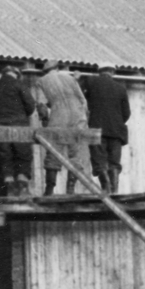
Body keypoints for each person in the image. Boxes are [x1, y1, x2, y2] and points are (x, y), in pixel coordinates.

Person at [35, 59, 92, 194]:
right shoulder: (70, 78)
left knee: (53, 152)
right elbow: (83, 100)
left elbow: (42, 106)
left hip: (58, 117)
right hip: (78, 118)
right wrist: (84, 120)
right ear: (57, 68)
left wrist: (44, 120)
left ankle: (49, 190)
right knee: (75, 154)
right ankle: (70, 188)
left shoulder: (41, 81)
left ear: (45, 71)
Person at [0, 65, 36, 197]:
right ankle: (23, 189)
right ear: (17, 74)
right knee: (23, 155)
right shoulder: (19, 85)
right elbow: (30, 106)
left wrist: (0, 119)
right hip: (19, 126)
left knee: (6, 156)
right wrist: (22, 115)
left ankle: (10, 190)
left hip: (0, 126)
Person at [79, 64, 130, 193]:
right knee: (114, 162)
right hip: (116, 131)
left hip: (97, 128)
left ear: (99, 71)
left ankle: (105, 188)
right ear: (112, 72)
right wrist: (116, 121)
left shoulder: (90, 82)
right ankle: (114, 190)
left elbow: (79, 97)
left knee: (99, 160)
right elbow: (127, 113)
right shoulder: (121, 88)